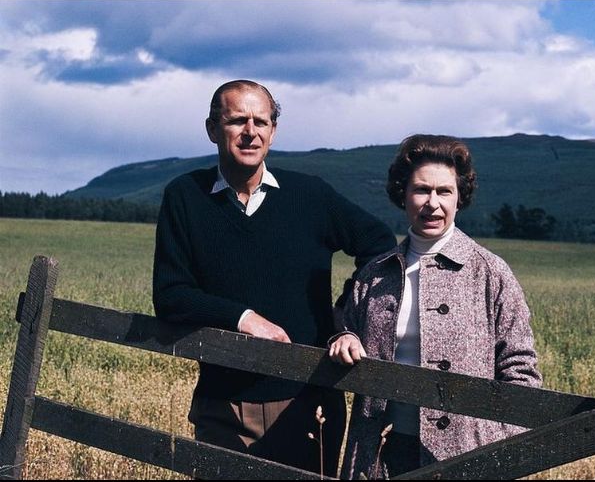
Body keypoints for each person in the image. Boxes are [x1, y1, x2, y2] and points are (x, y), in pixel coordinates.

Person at [152, 79, 396, 476]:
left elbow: (380, 245)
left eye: (260, 122)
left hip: (307, 401)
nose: (250, 132)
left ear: (273, 131)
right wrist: (244, 318)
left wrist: (344, 316)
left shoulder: (309, 196)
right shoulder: (185, 196)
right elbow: (169, 295)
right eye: (237, 121)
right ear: (213, 129)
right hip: (223, 401)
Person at [329, 134, 542, 478]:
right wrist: (345, 337)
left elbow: (522, 374)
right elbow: (346, 332)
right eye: (421, 190)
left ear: (460, 198)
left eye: (444, 191)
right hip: (380, 454)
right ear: (403, 195)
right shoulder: (374, 274)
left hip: (465, 458)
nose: (432, 203)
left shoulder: (490, 273)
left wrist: (491, 454)